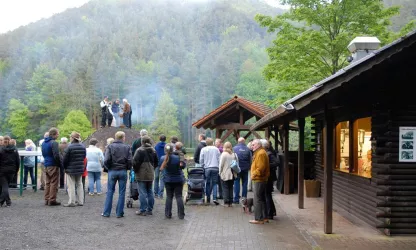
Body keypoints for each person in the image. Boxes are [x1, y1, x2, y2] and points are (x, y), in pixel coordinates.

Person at [102, 131, 132, 218]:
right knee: (122, 192)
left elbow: (106, 160)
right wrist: (128, 168)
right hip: (122, 171)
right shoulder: (127, 147)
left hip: (112, 171)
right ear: (123, 137)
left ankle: (106, 212)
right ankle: (119, 213)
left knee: (110, 192)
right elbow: (130, 160)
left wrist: (108, 168)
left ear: (115, 137)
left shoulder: (110, 146)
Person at [133, 136, 158, 216]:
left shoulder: (139, 150)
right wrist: (152, 168)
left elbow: (135, 163)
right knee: (150, 191)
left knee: (142, 192)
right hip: (150, 173)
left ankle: (143, 210)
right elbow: (156, 162)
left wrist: (136, 171)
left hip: (141, 173)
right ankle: (149, 210)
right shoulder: (153, 150)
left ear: (142, 142)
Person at [159, 143, 185, 219]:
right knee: (179, 196)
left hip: (168, 180)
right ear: (173, 149)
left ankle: (168, 214)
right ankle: (181, 215)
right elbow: (183, 166)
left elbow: (161, 167)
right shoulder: (178, 158)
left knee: (169, 196)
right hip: (178, 179)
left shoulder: (163, 158)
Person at [63, 132, 86, 207]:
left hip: (70, 168)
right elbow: (83, 157)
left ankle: (72, 202)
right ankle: (80, 201)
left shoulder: (69, 147)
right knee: (79, 184)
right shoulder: (83, 146)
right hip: (80, 168)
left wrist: (65, 167)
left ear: (72, 138)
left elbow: (65, 159)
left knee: (71, 185)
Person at [249, 139, 270, 224]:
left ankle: (258, 218)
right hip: (260, 179)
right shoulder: (260, 152)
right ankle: (264, 217)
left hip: (259, 179)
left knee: (257, 199)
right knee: (261, 198)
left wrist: (253, 174)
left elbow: (261, 168)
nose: (252, 146)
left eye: (253, 145)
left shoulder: (261, 153)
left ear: (258, 145)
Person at [41, 128, 62, 206]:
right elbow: (56, 155)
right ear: (53, 134)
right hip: (53, 164)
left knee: (48, 183)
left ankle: (47, 199)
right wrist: (59, 164)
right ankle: (52, 200)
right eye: (57, 134)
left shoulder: (43, 143)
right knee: (54, 183)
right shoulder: (54, 143)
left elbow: (43, 154)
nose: (58, 135)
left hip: (46, 164)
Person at [0, 136, 20, 207]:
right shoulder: (15, 149)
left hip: (2, 171)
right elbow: (18, 161)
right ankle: (5, 201)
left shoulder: (1, 150)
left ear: (3, 141)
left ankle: (5, 201)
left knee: (4, 187)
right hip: (12, 170)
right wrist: (16, 170)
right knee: (5, 186)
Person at [200, 137, 220, 205]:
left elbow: (201, 159)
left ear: (206, 143)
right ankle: (214, 198)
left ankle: (208, 198)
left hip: (207, 168)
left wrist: (202, 166)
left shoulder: (203, 149)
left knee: (207, 183)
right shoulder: (216, 149)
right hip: (215, 167)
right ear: (212, 143)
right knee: (215, 183)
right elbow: (219, 158)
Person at [233, 137, 252, 204]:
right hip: (245, 169)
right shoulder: (248, 149)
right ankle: (244, 199)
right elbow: (251, 159)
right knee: (245, 184)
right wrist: (249, 167)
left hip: (237, 169)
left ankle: (236, 199)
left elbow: (233, 159)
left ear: (238, 142)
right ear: (244, 142)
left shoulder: (234, 148)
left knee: (236, 183)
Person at [262, 140, 278, 220]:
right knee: (267, 195)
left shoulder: (269, 153)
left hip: (269, 177)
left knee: (267, 195)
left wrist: (267, 165)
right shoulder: (267, 153)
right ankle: (271, 212)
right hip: (268, 176)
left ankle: (269, 213)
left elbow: (276, 162)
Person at [219, 142, 237, 207]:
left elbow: (221, 165)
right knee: (230, 187)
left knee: (225, 188)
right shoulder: (234, 154)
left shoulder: (224, 154)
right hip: (232, 173)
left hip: (225, 173)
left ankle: (226, 202)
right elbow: (237, 163)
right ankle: (231, 202)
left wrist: (219, 172)